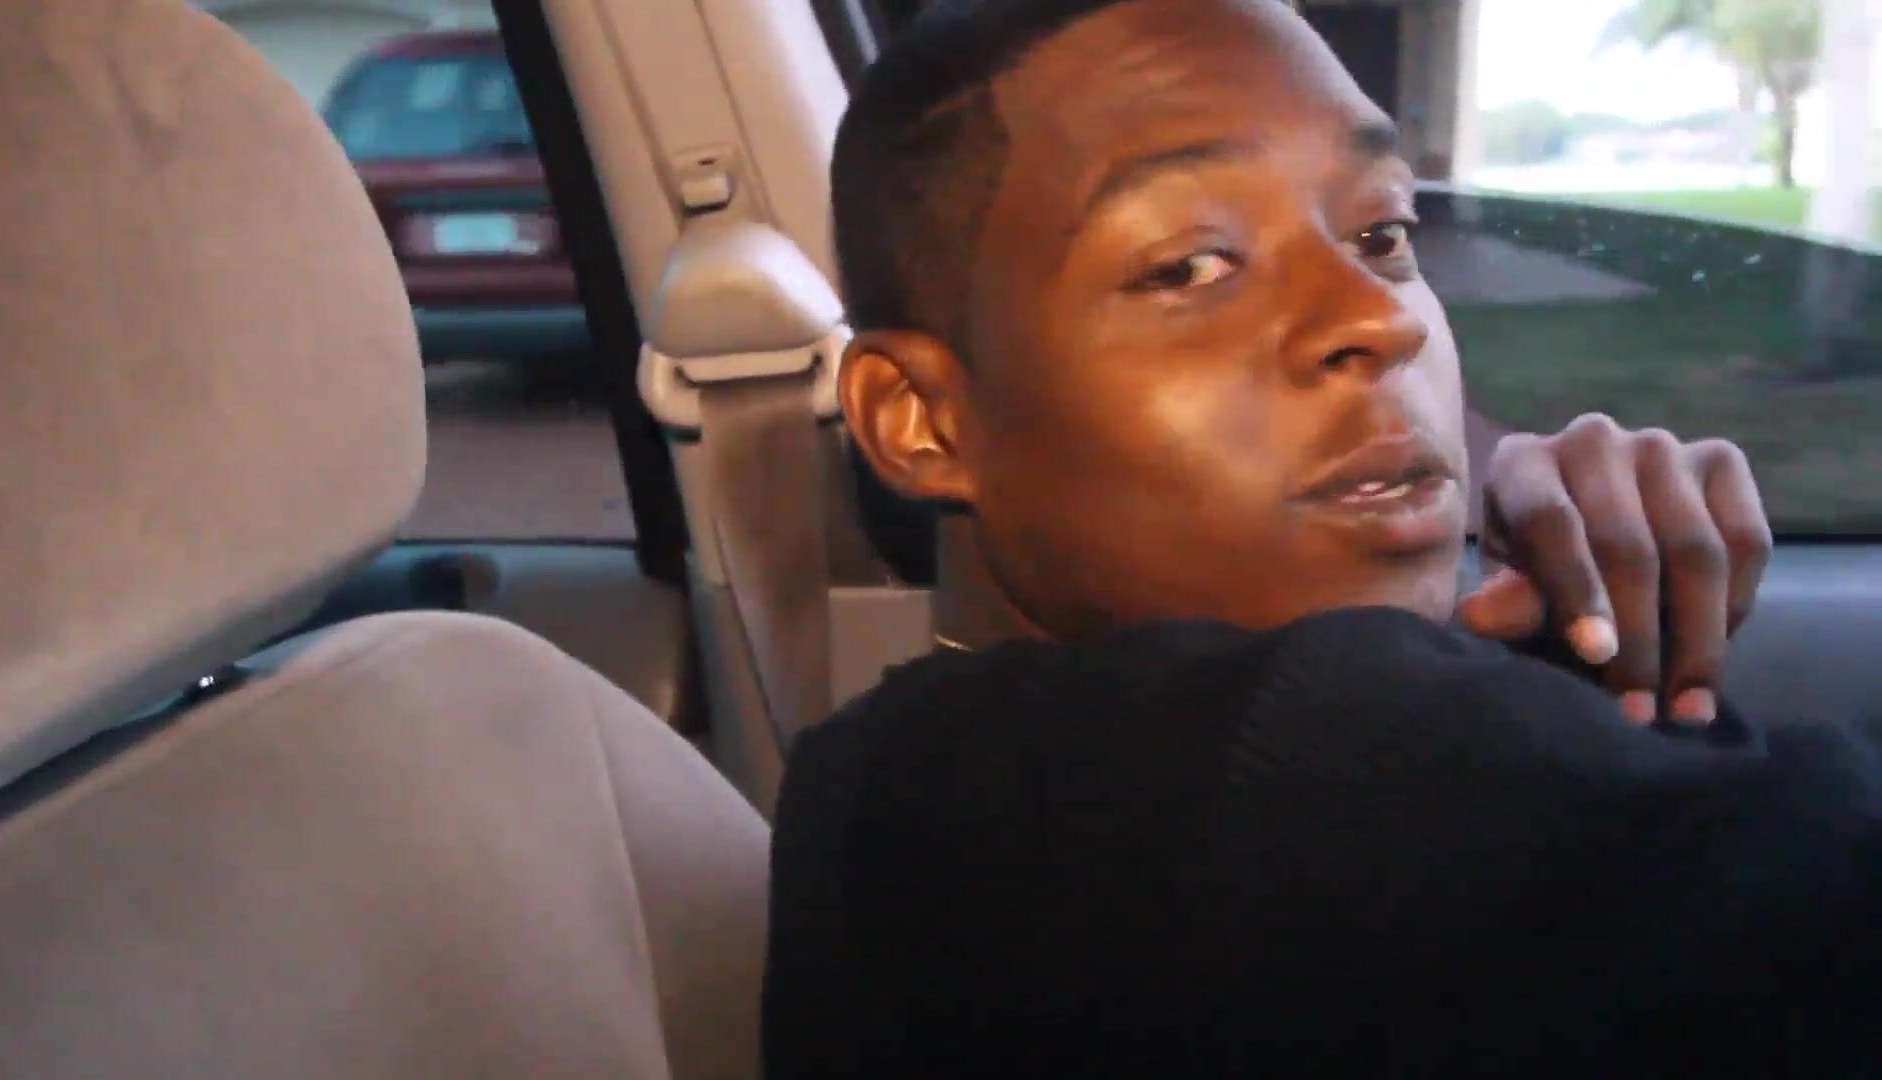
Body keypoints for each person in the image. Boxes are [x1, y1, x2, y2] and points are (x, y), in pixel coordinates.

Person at [764, 0, 1882, 1075]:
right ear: (919, 420)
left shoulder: (883, 794)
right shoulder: (1297, 761)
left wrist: (1556, 687)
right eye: (1190, 266)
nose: (1378, 316)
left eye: (1382, 235)